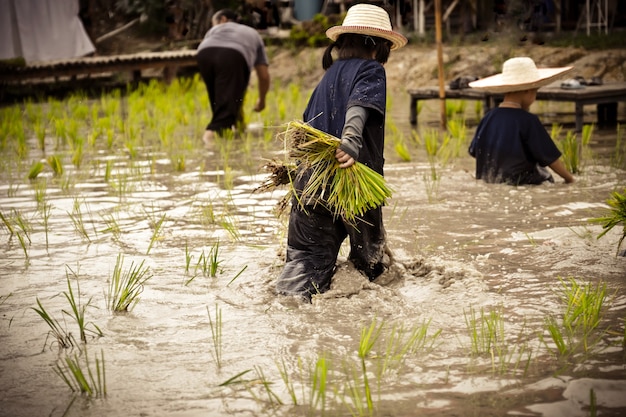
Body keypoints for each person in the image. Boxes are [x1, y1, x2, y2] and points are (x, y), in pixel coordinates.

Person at [275, 4, 407, 302]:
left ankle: (287, 318)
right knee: (371, 267)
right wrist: (349, 140)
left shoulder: (327, 77)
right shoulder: (371, 69)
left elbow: (304, 135)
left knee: (302, 270)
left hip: (310, 184)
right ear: (380, 46)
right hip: (354, 185)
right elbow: (358, 107)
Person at [468, 56, 575, 185]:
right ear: (528, 91)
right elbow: (550, 158)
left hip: (490, 181)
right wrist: (569, 179)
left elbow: (475, 152)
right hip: (522, 183)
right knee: (544, 175)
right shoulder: (528, 120)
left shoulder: (488, 117)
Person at [196, 9, 271, 144]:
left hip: (203, 52)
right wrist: (262, 100)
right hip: (233, 54)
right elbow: (264, 76)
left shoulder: (214, 31)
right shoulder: (252, 33)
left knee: (222, 104)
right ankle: (209, 148)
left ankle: (236, 129)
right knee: (223, 114)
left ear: (222, 19)